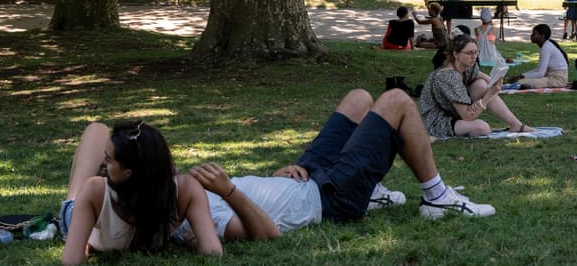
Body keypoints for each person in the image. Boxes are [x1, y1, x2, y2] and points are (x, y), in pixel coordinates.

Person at [174, 89, 495, 243]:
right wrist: (229, 191)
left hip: (304, 176)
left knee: (359, 98)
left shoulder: (183, 192)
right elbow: (266, 234)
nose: (174, 174)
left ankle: (371, 192)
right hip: (328, 198)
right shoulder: (197, 219)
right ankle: (436, 197)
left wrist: (276, 176)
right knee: (397, 101)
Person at [60, 121, 221, 264]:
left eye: (108, 160)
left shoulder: (94, 190)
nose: (103, 162)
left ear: (128, 173)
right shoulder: (187, 189)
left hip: (88, 209)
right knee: (98, 132)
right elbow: (212, 250)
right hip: (90, 213)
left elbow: (71, 261)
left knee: (97, 129)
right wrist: (194, 240)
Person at [419, 34, 533, 138]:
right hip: (438, 120)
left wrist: (493, 82)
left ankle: (515, 124)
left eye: (476, 52)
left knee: (481, 85)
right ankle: (514, 125)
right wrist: (488, 95)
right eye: (469, 53)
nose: (474, 56)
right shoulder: (448, 76)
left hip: (454, 111)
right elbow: (468, 117)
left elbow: (478, 75)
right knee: (482, 128)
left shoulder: (467, 66)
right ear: (456, 54)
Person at [507, 24, 569, 89]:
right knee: (520, 81)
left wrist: (520, 77)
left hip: (557, 79)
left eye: (534, 33)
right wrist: (521, 75)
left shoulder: (546, 47)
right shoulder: (545, 46)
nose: (531, 35)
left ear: (542, 36)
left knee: (519, 82)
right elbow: (539, 70)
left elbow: (540, 73)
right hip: (551, 76)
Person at [414, 2, 449, 69]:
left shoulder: (433, 20)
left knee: (418, 44)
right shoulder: (439, 18)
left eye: (430, 10)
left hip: (441, 44)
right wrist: (427, 5)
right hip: (442, 40)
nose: (428, 11)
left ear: (433, 11)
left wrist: (415, 16)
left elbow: (420, 22)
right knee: (422, 39)